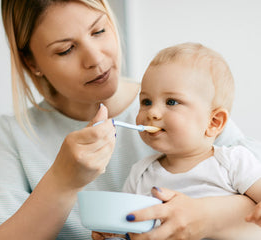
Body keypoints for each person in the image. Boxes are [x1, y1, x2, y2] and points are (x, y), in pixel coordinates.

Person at [0, 1, 261, 239]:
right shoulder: (15, 134)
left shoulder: (193, 104)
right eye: (66, 49)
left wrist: (202, 216)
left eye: (98, 31)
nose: (95, 59)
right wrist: (61, 181)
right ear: (32, 62)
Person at [93, 43, 261, 239]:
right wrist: (113, 234)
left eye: (171, 102)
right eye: (146, 102)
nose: (152, 113)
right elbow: (129, 228)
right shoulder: (140, 174)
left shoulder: (234, 162)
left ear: (214, 122)